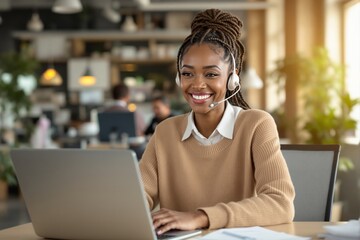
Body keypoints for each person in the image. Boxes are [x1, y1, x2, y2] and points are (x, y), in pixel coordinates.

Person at [139, 8, 295, 235]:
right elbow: (139, 196)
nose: (197, 85)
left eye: (211, 74)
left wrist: (200, 217)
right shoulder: (165, 131)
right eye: (187, 73)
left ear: (232, 77)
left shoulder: (256, 125)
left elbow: (280, 204)